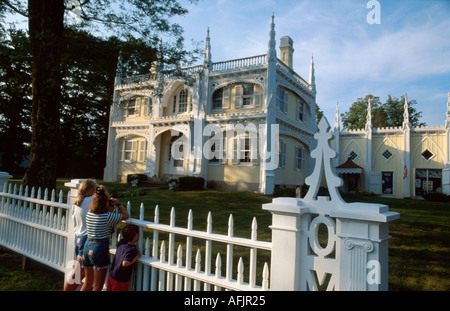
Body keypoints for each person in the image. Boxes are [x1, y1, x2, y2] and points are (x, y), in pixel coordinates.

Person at [80, 185, 129, 291]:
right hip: (99, 249)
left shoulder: (89, 214)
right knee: (98, 286)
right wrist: (118, 204)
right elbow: (125, 215)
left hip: (87, 247)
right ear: (106, 203)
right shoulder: (107, 216)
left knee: (87, 283)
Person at [63, 179, 97, 291]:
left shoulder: (78, 203)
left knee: (78, 275)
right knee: (85, 278)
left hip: (78, 239)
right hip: (87, 240)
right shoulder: (90, 200)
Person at [107, 224, 141, 291]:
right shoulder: (132, 249)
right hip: (120, 279)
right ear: (135, 236)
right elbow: (125, 263)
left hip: (112, 274)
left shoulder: (122, 242)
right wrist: (136, 257)